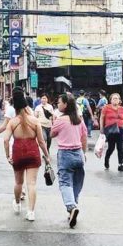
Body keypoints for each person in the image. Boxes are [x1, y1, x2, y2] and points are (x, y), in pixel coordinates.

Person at [2, 89, 50, 222]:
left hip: (18, 153)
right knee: (32, 184)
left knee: (18, 182)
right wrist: (47, 155)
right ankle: (31, 212)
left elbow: (6, 140)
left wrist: (8, 156)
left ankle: (17, 204)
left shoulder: (12, 122)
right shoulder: (34, 121)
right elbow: (41, 141)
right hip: (33, 153)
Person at [51, 93, 88, 228]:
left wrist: (53, 121)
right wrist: (84, 153)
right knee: (77, 182)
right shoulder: (79, 120)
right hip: (78, 153)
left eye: (60, 102)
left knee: (65, 182)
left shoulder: (61, 120)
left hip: (65, 154)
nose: (58, 105)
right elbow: (84, 137)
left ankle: (71, 207)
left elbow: (52, 134)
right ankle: (74, 207)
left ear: (66, 104)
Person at [99, 93, 123, 172]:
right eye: (114, 98)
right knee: (111, 147)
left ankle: (120, 165)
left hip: (120, 129)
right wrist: (101, 128)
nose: (115, 100)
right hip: (110, 129)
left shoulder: (122, 109)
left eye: (117, 98)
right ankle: (107, 158)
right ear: (110, 100)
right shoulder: (106, 108)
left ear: (119, 100)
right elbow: (102, 118)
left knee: (120, 147)